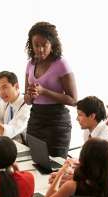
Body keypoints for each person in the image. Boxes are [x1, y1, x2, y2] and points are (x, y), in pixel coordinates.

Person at [24, 21, 77, 157]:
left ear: (52, 43)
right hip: (35, 119)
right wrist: (30, 95)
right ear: (31, 44)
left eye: (44, 45)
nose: (40, 49)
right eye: (36, 45)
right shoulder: (30, 64)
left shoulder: (61, 64)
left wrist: (44, 91)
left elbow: (73, 100)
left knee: (55, 168)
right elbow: (28, 101)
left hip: (57, 123)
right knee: (34, 163)